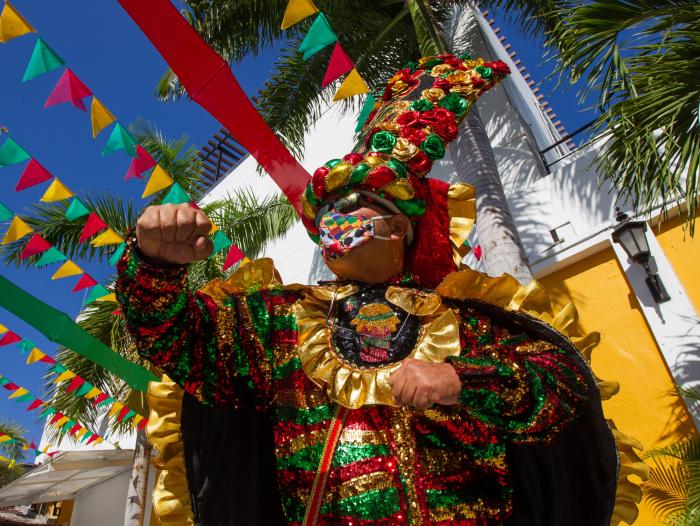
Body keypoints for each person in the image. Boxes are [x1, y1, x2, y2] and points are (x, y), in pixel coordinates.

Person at [116, 54, 619, 526]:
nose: (333, 217)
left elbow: (564, 389)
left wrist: (463, 378)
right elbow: (180, 341)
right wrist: (155, 265)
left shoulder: (466, 320)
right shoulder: (278, 319)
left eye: (353, 202)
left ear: (400, 227)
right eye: (326, 210)